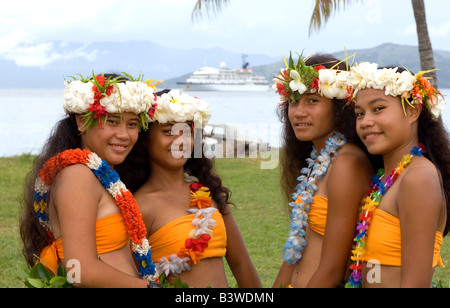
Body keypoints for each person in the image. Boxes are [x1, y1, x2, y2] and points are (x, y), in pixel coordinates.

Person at [20, 72, 162, 288]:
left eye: (132, 124)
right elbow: (80, 271)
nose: (124, 134)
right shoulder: (78, 175)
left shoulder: (101, 176)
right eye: (112, 121)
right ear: (82, 122)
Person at [116, 89, 262, 288]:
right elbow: (132, 279)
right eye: (168, 131)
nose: (180, 141)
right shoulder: (140, 207)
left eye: (186, 131)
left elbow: (241, 264)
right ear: (145, 140)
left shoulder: (209, 193)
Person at [271, 53, 378, 288]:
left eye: (312, 101)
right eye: (293, 101)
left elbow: (333, 269)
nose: (298, 112)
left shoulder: (347, 163)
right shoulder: (318, 162)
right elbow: (294, 254)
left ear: (340, 107)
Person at [346, 62, 449, 288]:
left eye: (378, 109)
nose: (365, 122)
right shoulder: (385, 179)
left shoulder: (418, 178)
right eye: (359, 114)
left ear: (412, 111)